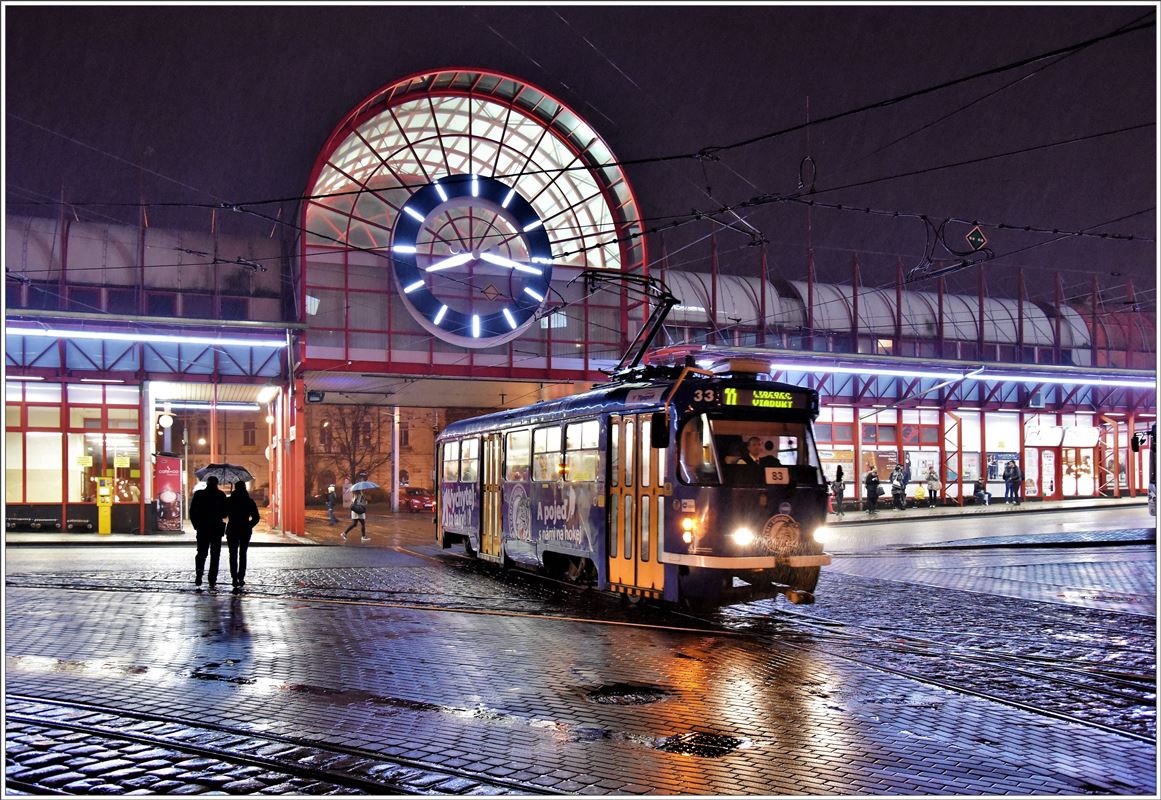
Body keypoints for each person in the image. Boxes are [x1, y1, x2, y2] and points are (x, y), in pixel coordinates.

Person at [189, 475, 228, 589]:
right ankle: (212, 579)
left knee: (201, 553)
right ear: (217, 484)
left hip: (202, 528)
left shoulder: (199, 494)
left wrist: (196, 525)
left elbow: (192, 511)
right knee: (215, 555)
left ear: (207, 483)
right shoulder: (221, 495)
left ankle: (199, 574)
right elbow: (225, 514)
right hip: (216, 528)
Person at [225, 481, 261, 590]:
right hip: (245, 529)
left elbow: (223, 514)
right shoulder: (249, 501)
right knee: (243, 554)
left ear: (235, 488)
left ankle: (234, 577)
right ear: (244, 488)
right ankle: (241, 577)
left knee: (233, 554)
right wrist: (249, 525)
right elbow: (256, 517)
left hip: (232, 529)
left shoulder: (230, 500)